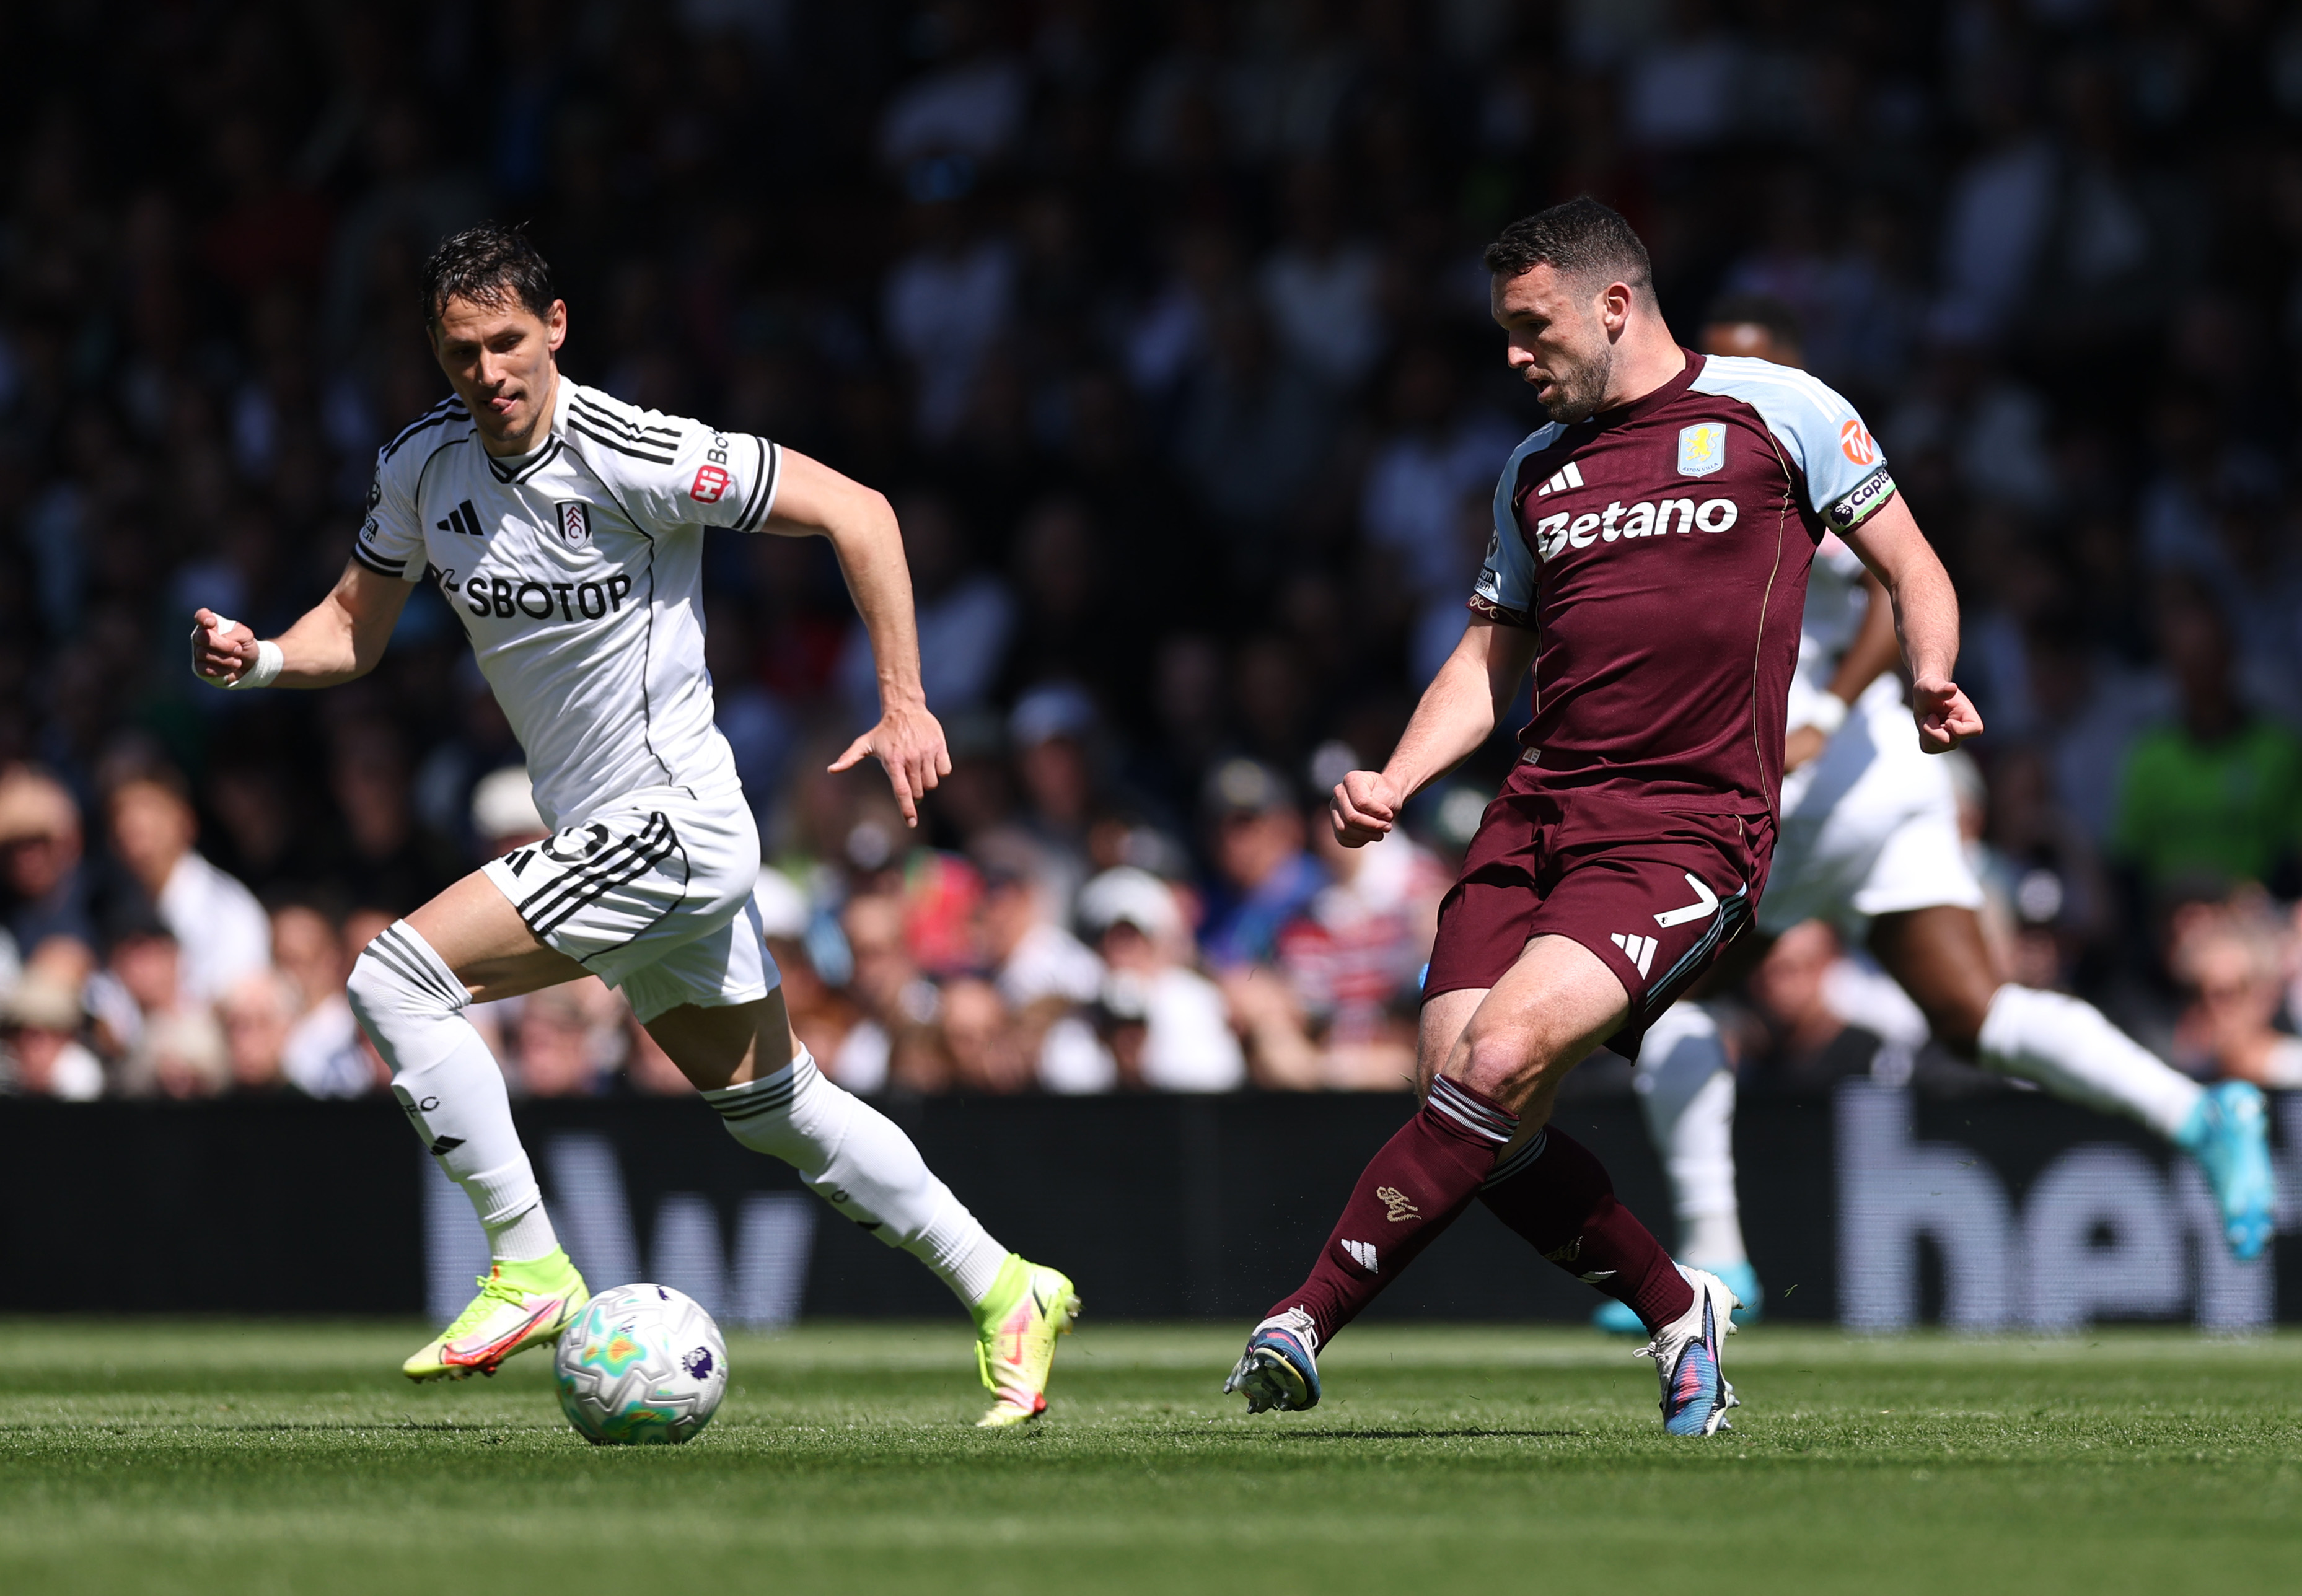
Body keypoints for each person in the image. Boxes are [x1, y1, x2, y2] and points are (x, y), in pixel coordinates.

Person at [188, 224, 1076, 1427]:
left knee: (396, 983)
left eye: (509, 341)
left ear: (556, 330)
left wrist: (905, 701)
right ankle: (1007, 1284)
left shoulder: (635, 451)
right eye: (462, 353)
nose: (489, 371)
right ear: (437, 356)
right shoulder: (420, 467)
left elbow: (862, 512)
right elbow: (356, 625)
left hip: (675, 825)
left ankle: (531, 1265)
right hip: (611, 836)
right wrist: (265, 658)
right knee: (782, 1110)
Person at [1224, 198, 1982, 1437]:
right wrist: (1397, 778)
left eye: (1531, 328)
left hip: (1687, 829)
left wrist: (1932, 672)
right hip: (1531, 820)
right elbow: (1484, 665)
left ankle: (1302, 1317)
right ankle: (1681, 1310)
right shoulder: (1533, 470)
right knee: (1467, 1106)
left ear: (1613, 305)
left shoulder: (1775, 407)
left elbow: (1912, 564)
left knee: (1498, 1064)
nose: (1513, 356)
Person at [1587, 299, 2281, 1333]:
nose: (1733, 379)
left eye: (1753, 362)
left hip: (1827, 793)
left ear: (1793, 368)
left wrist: (1820, 711)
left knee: (1656, 1006)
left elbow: (1882, 591)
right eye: (1717, 362)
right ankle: (2201, 1112)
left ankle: (1717, 1260)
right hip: (1838, 794)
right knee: (1974, 1014)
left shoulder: (1796, 443)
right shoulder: (1691, 465)